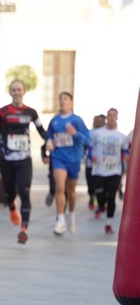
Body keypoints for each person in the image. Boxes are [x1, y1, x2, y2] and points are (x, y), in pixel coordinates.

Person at [0, 79, 48, 244]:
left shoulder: (31, 112)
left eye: (19, 89)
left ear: (24, 92)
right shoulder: (2, 113)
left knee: (25, 192)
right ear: (10, 92)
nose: (17, 93)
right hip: (6, 158)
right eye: (14, 90)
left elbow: (42, 131)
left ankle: (24, 229)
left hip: (24, 158)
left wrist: (50, 141)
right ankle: (12, 207)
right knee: (9, 193)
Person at [45, 92, 90, 236]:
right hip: (58, 158)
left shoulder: (77, 120)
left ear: (71, 102)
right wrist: (49, 143)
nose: (63, 101)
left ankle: (71, 214)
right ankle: (60, 220)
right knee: (59, 187)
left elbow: (88, 140)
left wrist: (75, 133)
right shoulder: (55, 120)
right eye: (60, 99)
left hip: (74, 159)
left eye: (65, 99)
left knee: (71, 191)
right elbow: (48, 137)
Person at [88, 108, 128, 235]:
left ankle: (108, 223)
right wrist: (91, 157)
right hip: (99, 170)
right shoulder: (97, 133)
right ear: (106, 117)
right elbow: (89, 147)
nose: (111, 118)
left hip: (115, 171)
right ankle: (100, 205)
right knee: (100, 195)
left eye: (114, 115)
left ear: (117, 118)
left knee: (111, 196)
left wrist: (126, 157)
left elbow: (125, 150)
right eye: (109, 115)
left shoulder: (122, 137)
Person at [85, 114, 107, 212]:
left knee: (101, 186)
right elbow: (88, 147)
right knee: (91, 184)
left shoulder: (107, 132)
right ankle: (92, 196)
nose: (99, 122)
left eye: (101, 120)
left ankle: (100, 203)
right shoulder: (90, 133)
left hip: (102, 165)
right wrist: (90, 157)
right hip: (90, 164)